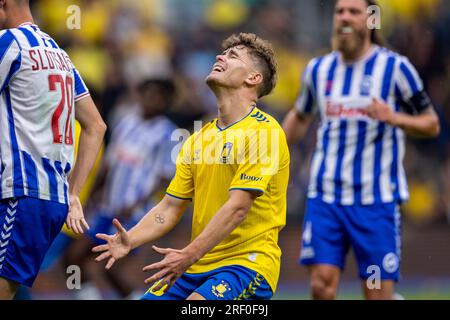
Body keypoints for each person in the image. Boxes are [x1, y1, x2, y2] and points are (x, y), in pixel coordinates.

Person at [93, 32, 290, 300]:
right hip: (196, 265)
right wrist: (132, 238)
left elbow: (238, 207)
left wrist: (188, 254)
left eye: (233, 56)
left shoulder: (264, 132)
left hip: (247, 265)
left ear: (253, 78)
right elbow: (170, 208)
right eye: (223, 53)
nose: (220, 56)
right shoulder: (197, 139)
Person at [282, 0, 440, 300]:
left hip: (375, 201)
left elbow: (431, 123)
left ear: (370, 20)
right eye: (339, 12)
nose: (344, 17)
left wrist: (393, 117)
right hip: (326, 197)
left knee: (376, 292)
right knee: (320, 286)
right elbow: (300, 116)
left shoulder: (395, 68)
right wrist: (269, 153)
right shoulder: (319, 69)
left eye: (353, 12)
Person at [0, 0, 106, 299]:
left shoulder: (9, 42)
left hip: (19, 193)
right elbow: (96, 125)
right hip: (51, 200)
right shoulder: (58, 52)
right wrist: (73, 194)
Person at [66, 77, 178, 300]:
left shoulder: (169, 134)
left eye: (158, 95)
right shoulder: (125, 121)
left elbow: (164, 178)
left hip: (134, 213)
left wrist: (137, 204)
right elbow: (110, 162)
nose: (151, 98)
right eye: (148, 92)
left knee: (113, 269)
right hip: (108, 207)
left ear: (166, 101)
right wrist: (94, 194)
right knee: (73, 258)